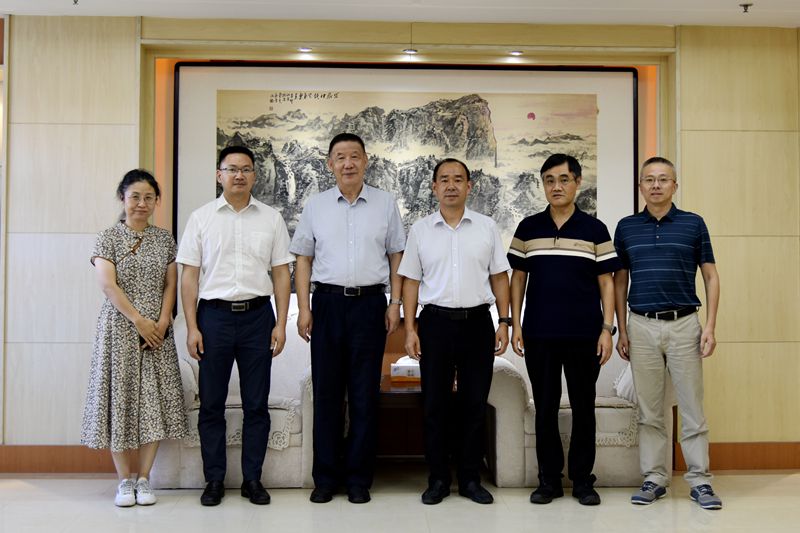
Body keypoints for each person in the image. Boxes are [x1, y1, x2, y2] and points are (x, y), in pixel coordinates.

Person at [290, 132, 405, 505]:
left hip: (370, 305)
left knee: (363, 395)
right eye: (340, 157)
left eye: (354, 156)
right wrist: (304, 308)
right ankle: (325, 478)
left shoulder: (385, 204)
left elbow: (397, 257)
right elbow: (303, 259)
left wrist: (395, 303)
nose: (348, 163)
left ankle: (358, 479)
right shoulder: (316, 206)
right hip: (326, 304)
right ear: (330, 164)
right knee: (327, 394)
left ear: (366, 160)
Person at [177, 145, 293, 506]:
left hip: (259, 317)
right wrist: (192, 327)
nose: (239, 175)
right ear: (219, 175)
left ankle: (252, 480)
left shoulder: (271, 218)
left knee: (256, 404)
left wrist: (281, 324)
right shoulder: (201, 218)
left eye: (245, 169)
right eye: (231, 169)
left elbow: (281, 274)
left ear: (254, 176)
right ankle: (214, 480)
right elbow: (189, 278)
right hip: (213, 318)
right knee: (211, 403)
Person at [507, 154, 620, 506]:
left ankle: (583, 481)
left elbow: (607, 282)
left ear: (577, 182)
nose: (556, 186)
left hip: (585, 335)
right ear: (543, 185)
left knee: (584, 408)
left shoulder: (595, 230)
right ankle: (549, 481)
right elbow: (518, 279)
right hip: (539, 334)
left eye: (564, 179)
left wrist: (607, 329)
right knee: (545, 408)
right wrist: (515, 324)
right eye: (549, 180)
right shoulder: (528, 228)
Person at [399, 158, 510, 505]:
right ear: (434, 187)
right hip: (434, 324)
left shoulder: (486, 227)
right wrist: (410, 328)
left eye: (458, 179)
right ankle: (437, 479)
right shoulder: (420, 230)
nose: (451, 185)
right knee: (435, 404)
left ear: (469, 186)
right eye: (444, 179)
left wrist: (504, 321)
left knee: (474, 403)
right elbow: (411, 282)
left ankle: (470, 479)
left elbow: (499, 277)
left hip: (478, 323)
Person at [614, 156, 721, 510]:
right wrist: (621, 329)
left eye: (663, 179)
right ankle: (654, 478)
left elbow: (710, 276)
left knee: (691, 407)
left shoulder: (693, 224)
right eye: (649, 179)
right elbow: (620, 281)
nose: (656, 185)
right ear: (640, 187)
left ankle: (700, 481)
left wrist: (710, 326)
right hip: (641, 324)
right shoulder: (627, 227)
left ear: (675, 185)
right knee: (650, 410)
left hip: (685, 324)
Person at [81, 169, 187, 507]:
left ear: (157, 201)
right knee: (120, 400)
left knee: (154, 402)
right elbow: (107, 284)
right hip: (120, 329)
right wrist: (139, 321)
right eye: (135, 197)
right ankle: (124, 480)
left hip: (156, 333)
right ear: (122, 198)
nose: (142, 203)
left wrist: (163, 320)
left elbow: (171, 284)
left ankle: (144, 478)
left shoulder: (165, 239)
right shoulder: (108, 237)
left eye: (148, 197)